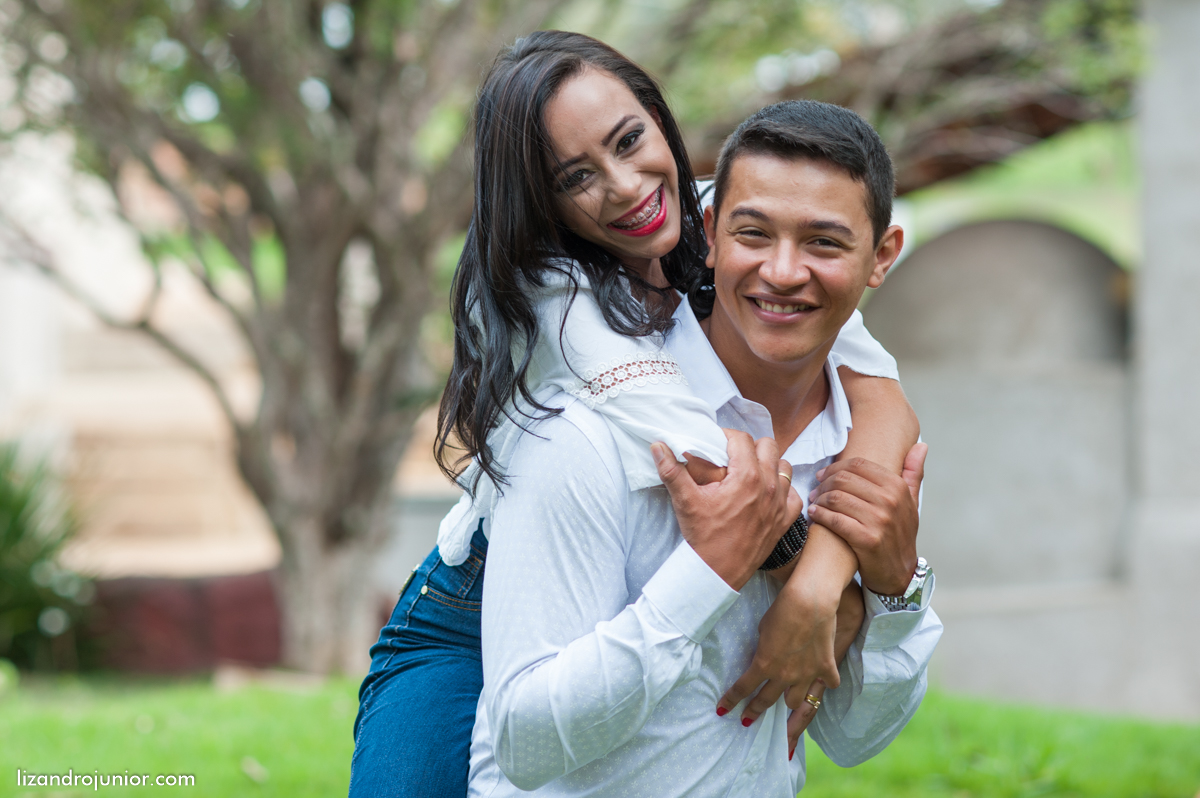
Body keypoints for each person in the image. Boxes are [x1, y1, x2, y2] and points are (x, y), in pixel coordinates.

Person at [349, 32, 919, 798]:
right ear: (542, 199)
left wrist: (833, 577)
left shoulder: (737, 221)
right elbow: (699, 450)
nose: (624, 186)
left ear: (658, 118)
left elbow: (880, 391)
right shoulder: (555, 300)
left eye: (628, 140)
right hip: (468, 599)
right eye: (576, 176)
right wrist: (812, 575)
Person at [468, 98, 942, 797]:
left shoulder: (865, 451)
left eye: (824, 243)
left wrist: (894, 592)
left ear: (882, 257)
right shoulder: (583, 426)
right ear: (711, 231)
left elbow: (851, 739)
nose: (783, 271)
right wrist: (710, 576)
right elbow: (524, 742)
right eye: (754, 234)